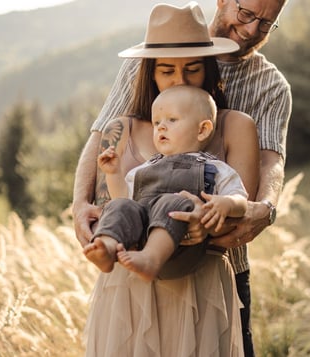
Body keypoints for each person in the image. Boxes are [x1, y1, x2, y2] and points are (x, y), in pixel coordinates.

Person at [75, 0, 292, 354]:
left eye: (266, 23)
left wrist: (262, 208)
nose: (253, 29)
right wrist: (80, 203)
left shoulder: (259, 97)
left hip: (210, 272)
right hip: (130, 283)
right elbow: (102, 144)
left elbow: (267, 166)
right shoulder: (130, 109)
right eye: (246, 14)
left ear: (208, 68)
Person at [84, 86, 248, 282]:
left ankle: (151, 258)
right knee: (118, 206)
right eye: (157, 122)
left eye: (172, 120)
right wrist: (113, 173)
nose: (161, 127)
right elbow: (125, 201)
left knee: (176, 202)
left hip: (183, 249)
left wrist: (228, 204)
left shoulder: (213, 167)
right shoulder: (144, 169)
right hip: (140, 242)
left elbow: (242, 200)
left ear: (202, 130)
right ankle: (108, 248)